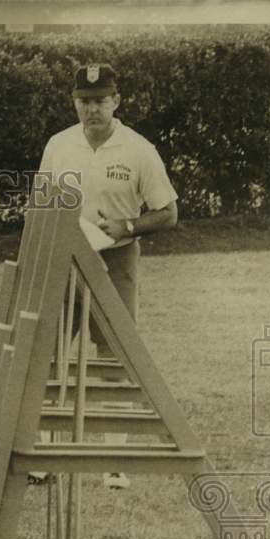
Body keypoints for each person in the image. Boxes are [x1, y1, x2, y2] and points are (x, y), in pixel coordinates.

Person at [35, 63, 178, 489]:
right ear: (74, 103)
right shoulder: (59, 146)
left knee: (116, 357)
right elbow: (42, 204)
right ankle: (42, 455)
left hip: (116, 259)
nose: (92, 110)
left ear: (116, 101)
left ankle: (116, 459)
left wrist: (128, 227)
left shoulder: (138, 150)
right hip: (65, 258)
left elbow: (168, 212)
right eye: (84, 101)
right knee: (47, 351)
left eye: (100, 101)